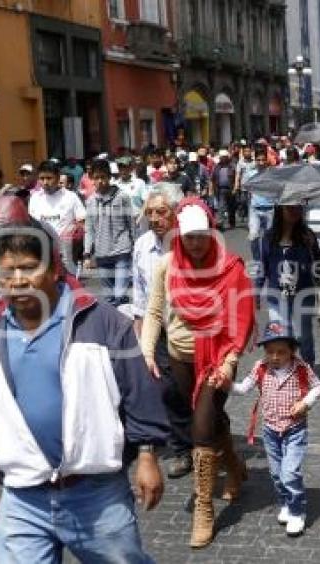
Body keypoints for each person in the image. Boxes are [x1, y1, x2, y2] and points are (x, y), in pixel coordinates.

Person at [0, 224, 167, 562]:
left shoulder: (99, 320)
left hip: (96, 494)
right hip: (22, 498)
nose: (18, 280)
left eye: (30, 267)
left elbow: (138, 391)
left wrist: (147, 457)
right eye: (7, 271)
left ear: (54, 267)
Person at [140, 198, 255, 549]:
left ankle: (203, 507)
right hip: (179, 356)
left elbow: (242, 316)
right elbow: (155, 312)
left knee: (201, 427)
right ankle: (234, 465)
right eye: (190, 236)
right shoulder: (166, 265)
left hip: (216, 357)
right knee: (208, 418)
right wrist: (146, 351)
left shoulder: (229, 267)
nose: (196, 243)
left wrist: (230, 361)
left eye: (202, 235)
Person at [227, 322, 320, 537]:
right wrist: (226, 385)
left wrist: (305, 403)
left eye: (281, 352)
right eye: (270, 351)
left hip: (294, 429)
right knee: (277, 474)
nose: (275, 356)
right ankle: (286, 503)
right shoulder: (261, 367)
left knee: (290, 472)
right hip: (270, 431)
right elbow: (242, 388)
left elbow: (318, 387)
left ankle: (298, 511)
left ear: (292, 351)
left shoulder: (301, 368)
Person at [131, 186, 194, 479]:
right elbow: (141, 295)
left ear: (175, 213)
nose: (154, 218)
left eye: (161, 212)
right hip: (160, 328)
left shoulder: (189, 241)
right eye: (150, 212)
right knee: (167, 389)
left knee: (196, 390)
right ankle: (183, 449)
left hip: (192, 328)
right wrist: (141, 334)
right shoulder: (142, 245)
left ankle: (209, 439)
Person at [257, 205, 320, 366]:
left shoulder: (307, 236)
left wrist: (310, 255)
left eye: (298, 207)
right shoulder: (269, 237)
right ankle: (286, 372)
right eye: (289, 207)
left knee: (303, 336)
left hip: (303, 294)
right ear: (280, 209)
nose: (294, 211)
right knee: (281, 336)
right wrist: (256, 292)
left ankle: (307, 369)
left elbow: (319, 265)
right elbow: (262, 267)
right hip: (276, 296)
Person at [83, 159, 134, 306]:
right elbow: (89, 229)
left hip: (122, 251)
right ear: (91, 179)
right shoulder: (91, 201)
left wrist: (135, 246)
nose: (101, 181)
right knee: (110, 297)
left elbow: (130, 223)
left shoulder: (122, 197)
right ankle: (119, 322)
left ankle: (124, 318)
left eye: (103, 177)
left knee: (119, 293)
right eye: (97, 177)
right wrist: (87, 253)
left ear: (109, 177)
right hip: (102, 254)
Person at [28, 160, 86, 275]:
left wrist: (74, 236)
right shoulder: (35, 198)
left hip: (66, 256)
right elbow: (31, 224)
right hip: (43, 255)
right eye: (42, 178)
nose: (45, 182)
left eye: (49, 178)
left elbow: (82, 222)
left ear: (58, 177)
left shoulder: (71, 197)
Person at [210, 150, 236, 230]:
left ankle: (232, 222)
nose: (223, 159)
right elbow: (212, 178)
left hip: (231, 189)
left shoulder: (232, 166)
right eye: (222, 157)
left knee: (231, 207)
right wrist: (211, 189)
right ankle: (220, 223)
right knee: (221, 206)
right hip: (220, 189)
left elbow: (236, 178)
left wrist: (235, 188)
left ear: (227, 157)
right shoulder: (217, 167)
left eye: (224, 157)